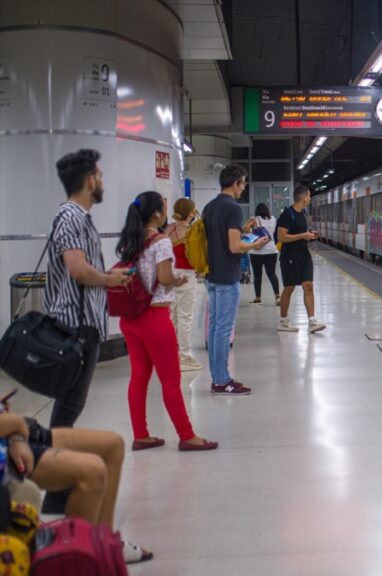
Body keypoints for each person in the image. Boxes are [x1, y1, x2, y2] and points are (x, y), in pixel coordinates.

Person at [42, 149, 131, 514]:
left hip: (84, 324)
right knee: (68, 407)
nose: (103, 181)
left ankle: (56, 483)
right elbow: (77, 270)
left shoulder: (78, 218)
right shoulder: (71, 217)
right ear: (90, 179)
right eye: (101, 174)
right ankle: (55, 484)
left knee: (69, 406)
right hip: (76, 327)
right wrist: (110, 278)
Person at [115, 191, 218, 452]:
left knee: (138, 377)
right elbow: (163, 277)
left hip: (131, 319)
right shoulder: (159, 241)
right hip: (154, 318)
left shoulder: (131, 240)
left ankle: (141, 435)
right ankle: (187, 435)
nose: (166, 211)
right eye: (163, 207)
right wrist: (178, 279)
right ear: (155, 214)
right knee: (171, 380)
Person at [0, 404, 152, 563]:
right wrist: (16, 425)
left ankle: (104, 548)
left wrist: (16, 434)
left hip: (15, 435)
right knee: (91, 472)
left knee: (114, 445)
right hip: (10, 441)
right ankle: (84, 558)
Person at [203, 165, 269, 395]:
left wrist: (243, 229)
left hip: (211, 275)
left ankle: (218, 377)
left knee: (213, 329)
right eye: (243, 183)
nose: (244, 187)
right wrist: (254, 244)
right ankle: (221, 380)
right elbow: (233, 246)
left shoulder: (210, 207)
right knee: (222, 330)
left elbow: (221, 238)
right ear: (235, 183)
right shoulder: (232, 208)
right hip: (226, 276)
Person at [277, 186, 326, 333]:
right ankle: (283, 321)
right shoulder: (287, 214)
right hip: (289, 256)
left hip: (304, 254)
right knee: (289, 288)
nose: (310, 198)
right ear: (304, 198)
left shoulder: (303, 214)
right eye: (309, 196)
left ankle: (312, 322)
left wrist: (310, 234)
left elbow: (300, 233)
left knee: (308, 285)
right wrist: (303, 236)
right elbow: (281, 237)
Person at [166, 198, 203, 371]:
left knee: (171, 315)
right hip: (186, 275)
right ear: (191, 212)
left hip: (170, 274)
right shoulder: (190, 231)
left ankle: (171, 354)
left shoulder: (169, 229)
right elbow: (195, 255)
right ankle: (185, 355)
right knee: (185, 317)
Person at [243, 203, 281, 306]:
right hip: (271, 250)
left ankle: (258, 298)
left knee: (257, 275)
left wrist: (249, 221)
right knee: (272, 274)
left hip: (256, 251)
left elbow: (245, 229)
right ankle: (277, 296)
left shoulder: (255, 219)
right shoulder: (273, 219)